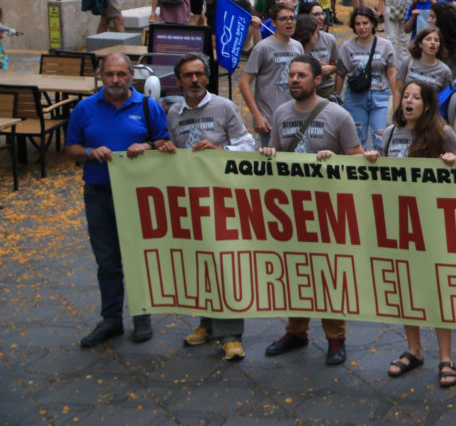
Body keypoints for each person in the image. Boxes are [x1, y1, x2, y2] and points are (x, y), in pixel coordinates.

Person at [260, 55, 374, 365]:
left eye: (301, 75)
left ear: (316, 80)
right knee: (296, 271)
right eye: (291, 75)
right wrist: (269, 153)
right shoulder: (281, 114)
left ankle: (335, 338)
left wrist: (334, 160)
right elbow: (278, 155)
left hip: (327, 209)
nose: (294, 80)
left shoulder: (338, 116)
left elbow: (357, 159)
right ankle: (296, 331)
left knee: (326, 274)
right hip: (292, 209)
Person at [65, 53, 173, 347]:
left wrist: (147, 145)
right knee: (107, 260)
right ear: (101, 76)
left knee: (139, 256)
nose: (115, 80)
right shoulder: (84, 108)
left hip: (138, 193)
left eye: (121, 75)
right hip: (99, 193)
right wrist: (88, 153)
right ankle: (111, 319)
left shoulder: (148, 107)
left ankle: (142, 316)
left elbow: (164, 143)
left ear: (131, 76)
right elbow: (71, 147)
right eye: (110, 74)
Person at [161, 54, 255, 361]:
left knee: (224, 262)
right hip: (189, 199)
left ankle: (231, 335)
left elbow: (247, 144)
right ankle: (206, 323)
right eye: (188, 76)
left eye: (200, 74)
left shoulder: (223, 107)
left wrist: (220, 150)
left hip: (222, 197)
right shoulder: (173, 112)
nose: (195, 80)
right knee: (199, 262)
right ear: (179, 80)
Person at [381, 80, 456, 387]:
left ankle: (445, 356)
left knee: (437, 288)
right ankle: (413, 349)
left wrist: (453, 164)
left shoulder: (443, 134)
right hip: (399, 223)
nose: (409, 102)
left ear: (427, 105)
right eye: (406, 97)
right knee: (406, 287)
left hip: (432, 223)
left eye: (416, 97)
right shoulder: (390, 134)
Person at [336, 7, 400, 150]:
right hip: (355, 97)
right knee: (357, 139)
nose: (362, 27)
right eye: (358, 24)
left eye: (365, 23)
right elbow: (340, 74)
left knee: (380, 138)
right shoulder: (347, 47)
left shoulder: (385, 46)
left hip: (380, 96)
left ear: (373, 24)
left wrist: (397, 102)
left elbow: (392, 75)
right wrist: (337, 99)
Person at [238, 3, 303, 144]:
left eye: (292, 18)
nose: (289, 22)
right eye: (283, 19)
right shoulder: (262, 48)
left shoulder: (298, 47)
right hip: (270, 120)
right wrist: (257, 115)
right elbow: (244, 82)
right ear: (273, 22)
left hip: (295, 118)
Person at [294, 9, 338, 98]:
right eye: (315, 33)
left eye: (322, 14)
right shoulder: (296, 53)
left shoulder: (329, 39)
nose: (317, 36)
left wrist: (330, 68)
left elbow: (336, 64)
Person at [397, 26, 455, 91]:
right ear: (420, 44)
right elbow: (398, 91)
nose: (433, 43)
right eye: (428, 39)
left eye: (436, 40)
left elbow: (447, 97)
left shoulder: (445, 71)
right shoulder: (408, 62)